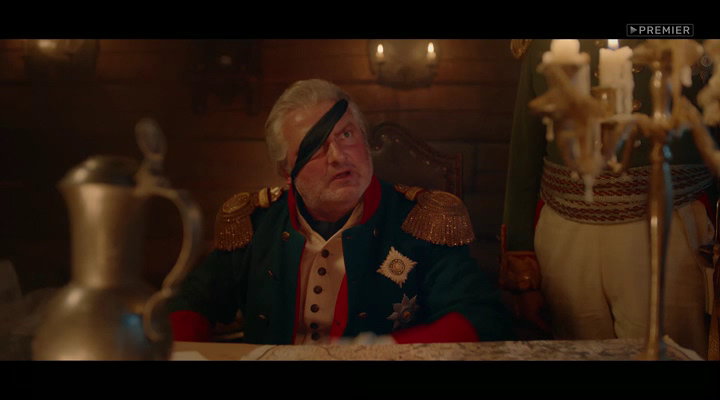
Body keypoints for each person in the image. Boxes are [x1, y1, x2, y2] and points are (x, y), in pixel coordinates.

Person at [166, 78, 514, 345]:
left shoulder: (421, 222)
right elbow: (189, 304)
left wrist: (386, 352)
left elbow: (480, 316)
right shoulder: (256, 224)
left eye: (346, 135)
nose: (338, 156)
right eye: (314, 147)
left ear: (365, 141)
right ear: (287, 172)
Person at [501, 39, 717, 357]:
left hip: (669, 226)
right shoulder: (543, 45)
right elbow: (525, 149)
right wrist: (521, 263)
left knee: (669, 351)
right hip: (565, 234)